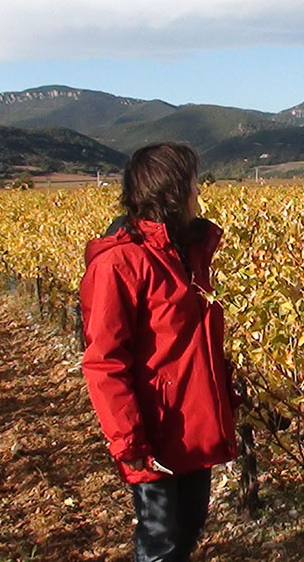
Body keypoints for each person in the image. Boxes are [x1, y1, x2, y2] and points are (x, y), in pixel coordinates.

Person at [79, 142, 239, 561]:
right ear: (171, 192)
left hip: (193, 423)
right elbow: (104, 363)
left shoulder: (189, 253)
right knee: (161, 541)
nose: (198, 192)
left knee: (186, 531)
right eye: (192, 183)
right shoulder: (120, 263)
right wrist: (130, 443)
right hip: (154, 431)